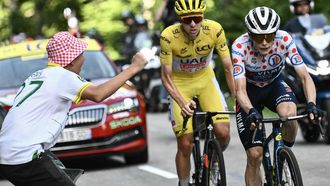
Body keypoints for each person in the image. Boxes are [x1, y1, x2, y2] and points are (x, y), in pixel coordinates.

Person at [0, 31, 150, 186]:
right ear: (71, 60)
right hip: (24, 156)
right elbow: (98, 94)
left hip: (8, 156)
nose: (83, 60)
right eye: (81, 55)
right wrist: (134, 67)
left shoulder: (38, 75)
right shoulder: (62, 75)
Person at [232, 7, 322, 186]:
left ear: (276, 33)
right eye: (259, 37)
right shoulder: (239, 46)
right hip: (250, 92)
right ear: (250, 34)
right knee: (254, 155)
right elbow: (240, 89)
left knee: (289, 113)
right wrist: (250, 110)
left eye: (270, 36)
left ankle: (283, 153)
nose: (265, 42)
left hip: (274, 85)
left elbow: (304, 76)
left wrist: (311, 103)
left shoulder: (285, 39)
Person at [159, 0, 235, 185]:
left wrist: (236, 96)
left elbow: (228, 67)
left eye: (197, 18)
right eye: (187, 20)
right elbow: (166, 77)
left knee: (223, 133)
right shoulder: (168, 36)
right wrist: (182, 102)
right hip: (179, 84)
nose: (192, 24)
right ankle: (184, 183)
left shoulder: (215, 29)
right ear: (180, 19)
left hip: (205, 80)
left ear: (203, 17)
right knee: (185, 143)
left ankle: (214, 162)